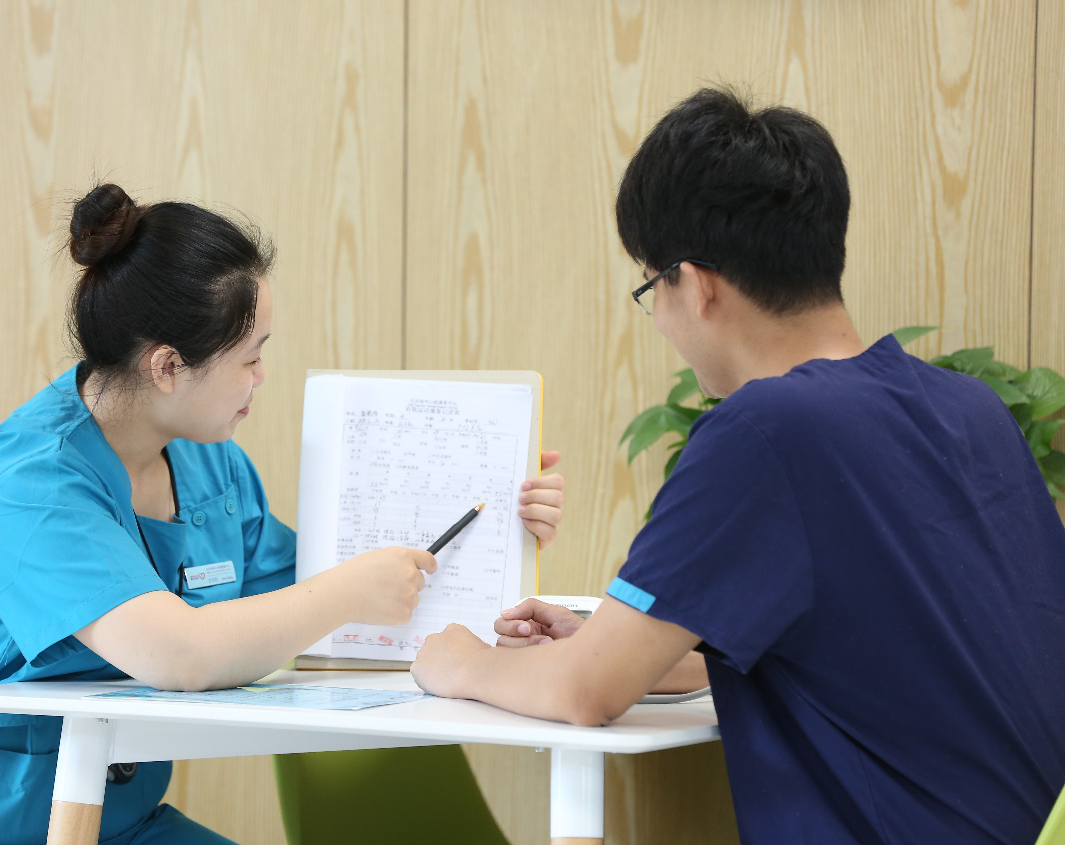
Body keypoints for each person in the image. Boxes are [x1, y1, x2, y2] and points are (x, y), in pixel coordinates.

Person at [412, 86, 1065, 844]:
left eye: (651, 289)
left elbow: (586, 692)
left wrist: (459, 662)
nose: (659, 320)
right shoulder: (970, 408)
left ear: (696, 284)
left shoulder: (764, 430)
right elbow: (871, 662)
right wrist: (615, 644)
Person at [0, 183, 566, 845]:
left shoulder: (209, 462)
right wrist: (348, 590)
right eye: (250, 359)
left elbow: (317, 603)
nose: (262, 378)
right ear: (168, 366)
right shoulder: (29, 483)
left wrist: (500, 520)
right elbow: (181, 653)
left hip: (116, 818)